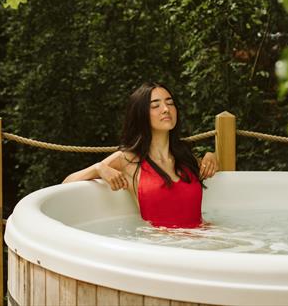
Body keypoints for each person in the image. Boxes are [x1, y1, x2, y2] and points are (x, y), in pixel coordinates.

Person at [63, 82, 219, 228]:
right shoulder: (128, 159)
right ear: (141, 114)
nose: (166, 109)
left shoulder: (185, 156)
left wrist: (212, 156)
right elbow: (66, 184)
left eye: (170, 103)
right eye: (155, 106)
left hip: (204, 239)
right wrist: (98, 168)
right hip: (164, 246)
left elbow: (217, 170)